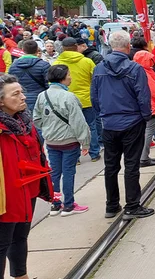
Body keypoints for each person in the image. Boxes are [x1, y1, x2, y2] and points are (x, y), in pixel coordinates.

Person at [91, 30, 154, 220]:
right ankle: (132, 205)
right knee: (131, 164)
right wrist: (146, 116)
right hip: (132, 120)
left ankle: (111, 205)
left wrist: (102, 114)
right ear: (128, 47)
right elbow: (143, 96)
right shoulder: (134, 69)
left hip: (109, 122)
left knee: (111, 166)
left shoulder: (99, 68)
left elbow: (94, 97)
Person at [0, 74, 53, 279]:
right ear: (1, 101)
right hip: (6, 196)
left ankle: (21, 276)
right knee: (2, 243)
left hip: (27, 189)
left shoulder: (24, 121)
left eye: (22, 91)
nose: (23, 97)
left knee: (20, 236)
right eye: (16, 94)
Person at [34, 65, 91, 216]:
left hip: (51, 141)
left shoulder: (42, 95)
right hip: (69, 141)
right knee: (68, 172)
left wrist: (49, 128)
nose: (70, 77)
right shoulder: (69, 97)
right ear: (63, 78)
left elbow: (37, 119)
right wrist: (85, 142)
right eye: (69, 75)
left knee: (55, 173)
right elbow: (78, 122)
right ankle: (69, 205)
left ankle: (55, 203)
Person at [53, 37, 99, 161]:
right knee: (91, 126)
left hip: (65, 101)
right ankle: (94, 153)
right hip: (86, 98)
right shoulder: (87, 61)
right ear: (76, 47)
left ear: (63, 48)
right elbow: (96, 78)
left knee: (71, 127)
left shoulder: (56, 63)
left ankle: (76, 157)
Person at [133, 51, 155, 167]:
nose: (153, 61)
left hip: (148, 105)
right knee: (148, 133)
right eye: (150, 59)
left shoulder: (141, 70)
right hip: (153, 106)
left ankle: (142, 156)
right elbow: (154, 90)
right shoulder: (145, 72)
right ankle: (143, 157)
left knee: (145, 132)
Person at [9, 40, 50, 114]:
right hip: (40, 98)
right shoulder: (44, 65)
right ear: (37, 50)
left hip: (20, 99)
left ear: (23, 50)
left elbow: (10, 85)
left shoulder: (13, 66)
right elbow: (49, 84)